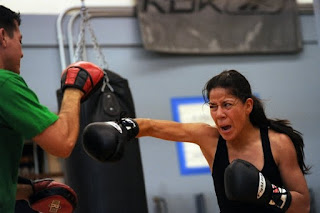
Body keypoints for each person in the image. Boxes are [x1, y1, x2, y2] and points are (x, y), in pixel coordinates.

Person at [82, 69, 311, 213]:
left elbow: (304, 205)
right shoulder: (209, 138)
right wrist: (123, 127)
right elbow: (155, 127)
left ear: (248, 105)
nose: (219, 114)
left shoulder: (278, 143)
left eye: (227, 105)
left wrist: (269, 193)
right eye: (213, 106)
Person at [0, 5, 104, 212]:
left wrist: (29, 190)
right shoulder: (4, 83)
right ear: (3, 36)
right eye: (19, 41)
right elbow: (62, 142)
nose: (22, 53)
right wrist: (74, 89)